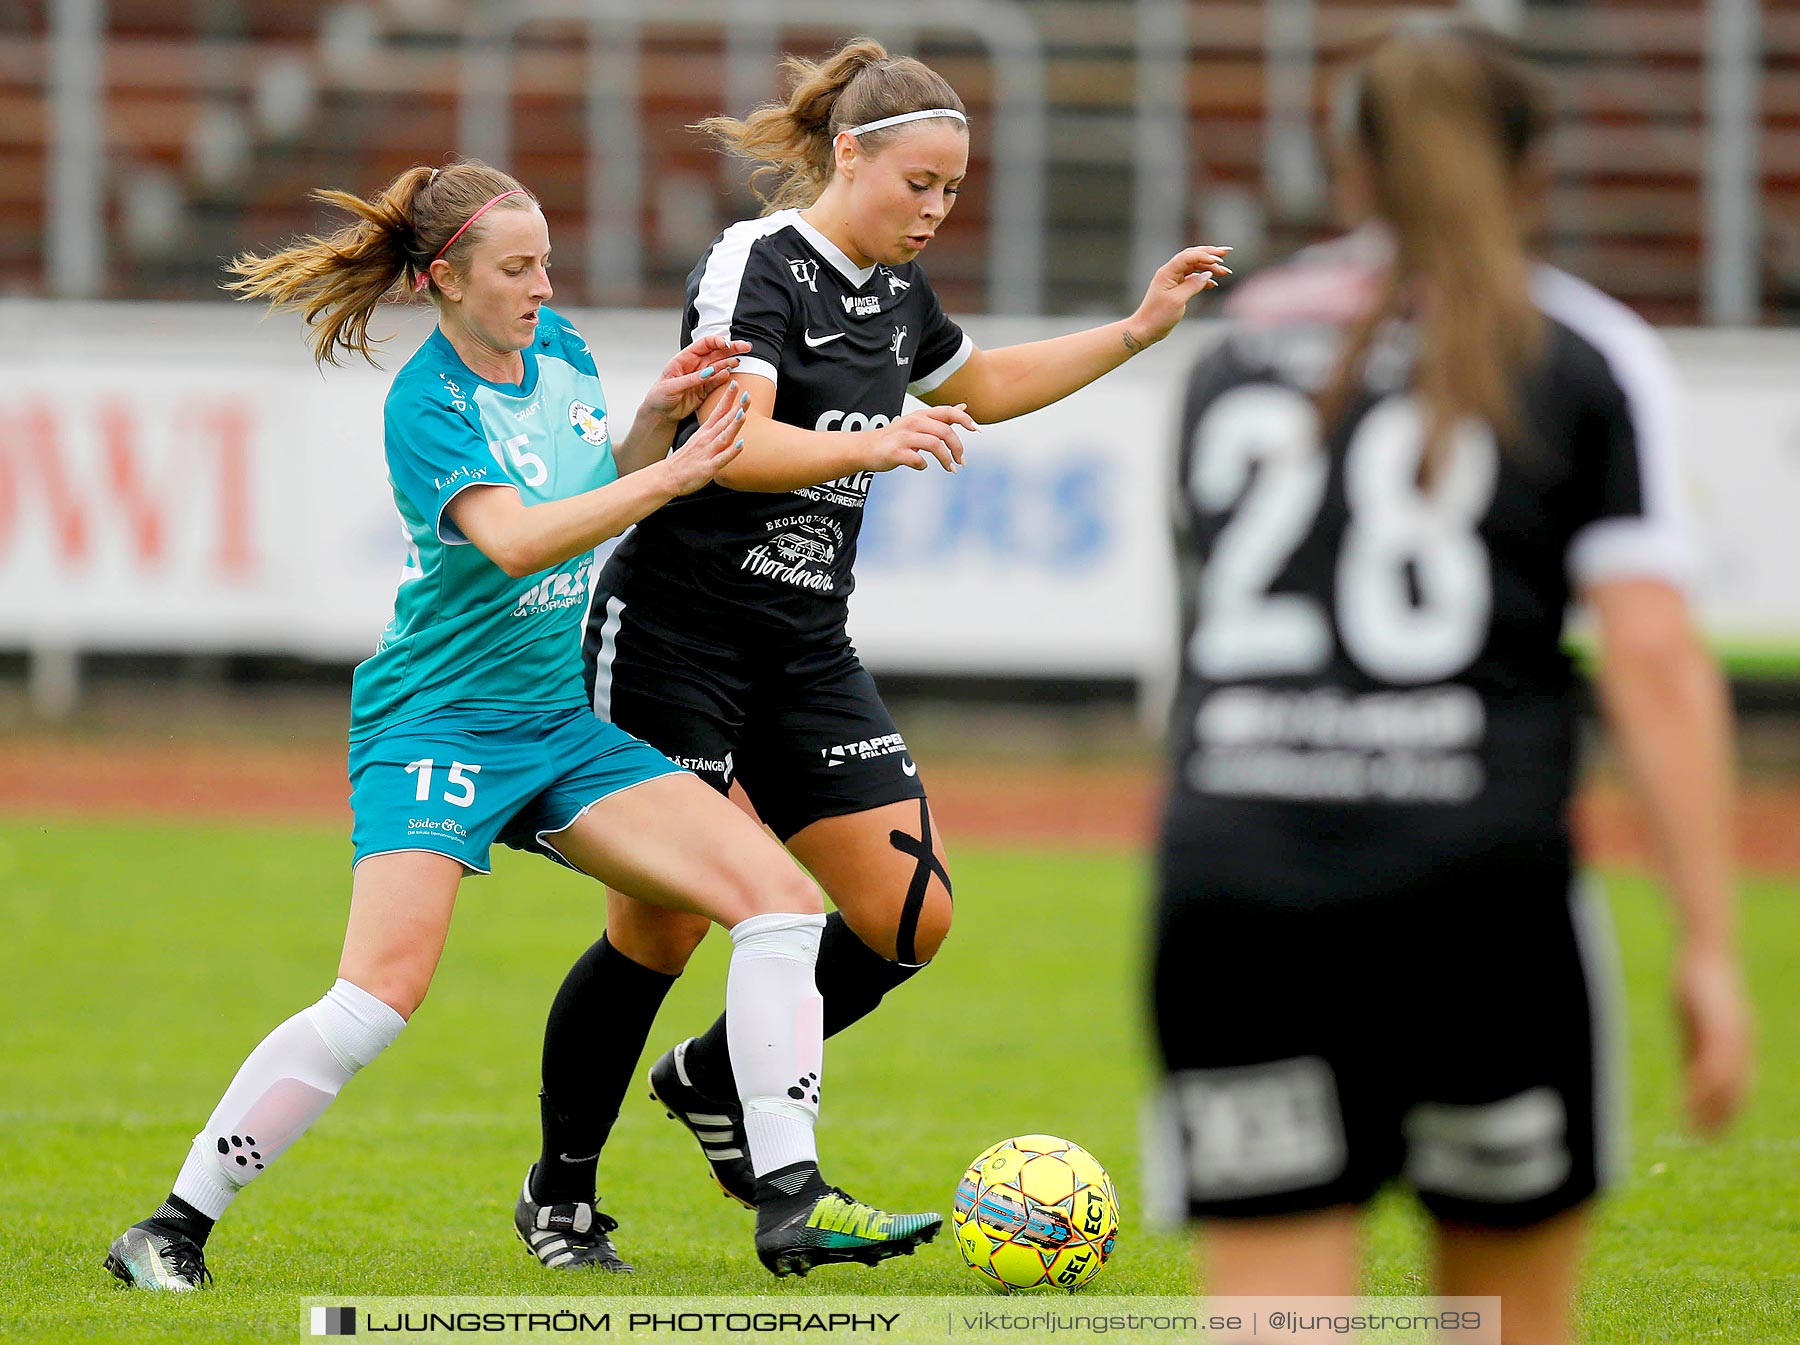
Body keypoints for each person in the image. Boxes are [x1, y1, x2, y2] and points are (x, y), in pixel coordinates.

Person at [102, 159, 940, 1291]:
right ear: (446, 279)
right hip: (435, 723)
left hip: (553, 722)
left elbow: (596, 475)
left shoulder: (566, 359)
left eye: (546, 260)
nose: (543, 284)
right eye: (517, 267)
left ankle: (792, 1202)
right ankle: (172, 1224)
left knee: (782, 903)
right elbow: (519, 539)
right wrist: (681, 472)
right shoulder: (428, 402)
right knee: (374, 1001)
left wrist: (652, 418)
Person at [520, 36, 1232, 1253]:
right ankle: (563, 1190)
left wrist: (1136, 329)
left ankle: (715, 1082)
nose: (937, 211)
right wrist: (873, 442)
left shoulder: (898, 295)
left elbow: (982, 383)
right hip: (676, 638)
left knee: (910, 915)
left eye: (955, 191)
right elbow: (723, 444)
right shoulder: (759, 262)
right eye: (921, 184)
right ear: (848, 154)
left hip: (803, 647)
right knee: (663, 926)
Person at [1146, 22, 1753, 1344]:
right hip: (1478, 892)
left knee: (1272, 1320)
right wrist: (1709, 945)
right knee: (1500, 1320)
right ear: (1534, 172)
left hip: (1237, 883)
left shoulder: (1239, 341)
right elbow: (1652, 658)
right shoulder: (1578, 346)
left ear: (1347, 166)